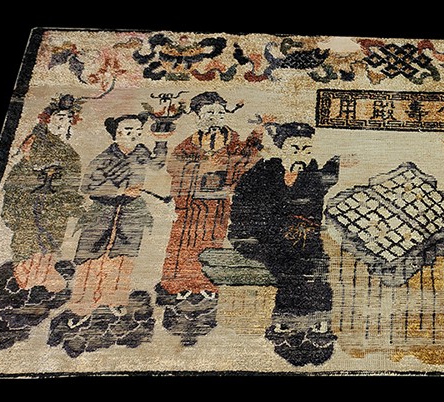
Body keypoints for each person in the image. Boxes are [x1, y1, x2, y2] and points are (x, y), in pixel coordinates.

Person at [228, 123, 340, 317]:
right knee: (289, 262)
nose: (300, 155)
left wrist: (337, 161)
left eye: (307, 150)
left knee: (316, 262)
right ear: (280, 150)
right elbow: (242, 206)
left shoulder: (312, 176)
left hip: (299, 237)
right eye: (294, 149)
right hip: (257, 236)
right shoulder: (262, 173)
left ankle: (317, 318)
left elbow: (327, 179)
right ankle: (287, 318)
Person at [159, 92, 262, 296]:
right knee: (185, 242)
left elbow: (247, 159)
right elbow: (174, 167)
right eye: (210, 112)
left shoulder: (233, 142)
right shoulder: (188, 144)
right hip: (192, 203)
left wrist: (257, 134)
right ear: (198, 115)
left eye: (220, 113)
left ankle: (207, 284)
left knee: (213, 241)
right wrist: (200, 167)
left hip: (218, 202)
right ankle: (180, 284)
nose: (215, 117)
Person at [69, 114, 170, 315]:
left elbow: (157, 164)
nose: (134, 135)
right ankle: (84, 301)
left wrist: (161, 141)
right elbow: (87, 186)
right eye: (128, 131)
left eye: (138, 131)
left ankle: (115, 299)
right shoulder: (105, 158)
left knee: (124, 256)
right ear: (116, 134)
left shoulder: (140, 151)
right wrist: (120, 191)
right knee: (93, 254)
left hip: (131, 212)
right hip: (103, 211)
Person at [1, 95, 85, 292]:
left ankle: (42, 278)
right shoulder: (34, 142)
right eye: (58, 117)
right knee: (27, 239)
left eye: (67, 118)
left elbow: (71, 184)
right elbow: (20, 172)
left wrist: (72, 204)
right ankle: (22, 281)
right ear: (48, 119)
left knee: (51, 239)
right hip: (30, 200)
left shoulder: (71, 154)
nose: (62, 122)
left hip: (55, 206)